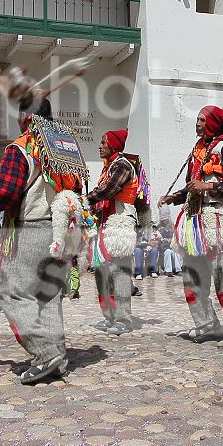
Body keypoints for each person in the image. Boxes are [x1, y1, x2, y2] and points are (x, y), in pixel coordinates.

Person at [0, 99, 83, 384]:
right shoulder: (64, 147)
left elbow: (5, 194)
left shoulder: (22, 148)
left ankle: (45, 353)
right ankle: (56, 356)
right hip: (59, 231)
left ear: (26, 115)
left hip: (29, 229)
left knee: (14, 293)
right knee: (48, 295)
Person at [158, 105, 223, 348]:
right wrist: (174, 198)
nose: (197, 123)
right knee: (192, 278)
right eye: (197, 119)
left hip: (217, 220)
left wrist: (208, 187)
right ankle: (207, 324)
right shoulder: (197, 149)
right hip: (194, 222)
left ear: (212, 123)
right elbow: (192, 186)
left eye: (201, 120)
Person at [86, 129, 141, 335]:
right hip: (105, 223)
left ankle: (123, 318)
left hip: (119, 223)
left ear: (113, 145)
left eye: (103, 143)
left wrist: (83, 200)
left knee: (119, 273)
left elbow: (108, 190)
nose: (100, 146)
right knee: (102, 272)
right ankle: (109, 316)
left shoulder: (122, 165)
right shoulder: (109, 167)